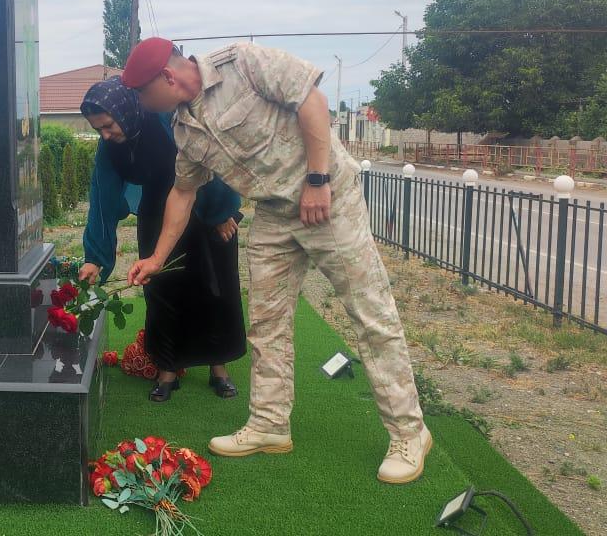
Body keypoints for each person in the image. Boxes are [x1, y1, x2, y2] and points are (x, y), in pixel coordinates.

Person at [123, 37, 430, 484]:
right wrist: (156, 257)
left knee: (371, 315)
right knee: (266, 323)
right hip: (273, 214)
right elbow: (183, 192)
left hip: (328, 201)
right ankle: (269, 424)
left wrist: (318, 179)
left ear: (167, 77)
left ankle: (409, 432)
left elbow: (312, 99)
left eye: (141, 93)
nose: (139, 102)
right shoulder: (185, 128)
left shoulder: (242, 62)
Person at [78, 77, 246, 402]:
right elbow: (102, 197)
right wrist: (95, 257)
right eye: (98, 129)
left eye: (108, 126)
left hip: (205, 203)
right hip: (157, 213)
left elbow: (210, 156)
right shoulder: (109, 148)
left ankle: (218, 367)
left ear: (124, 111)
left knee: (217, 286)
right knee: (164, 290)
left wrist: (222, 211)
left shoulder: (164, 117)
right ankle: (168, 368)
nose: (106, 135)